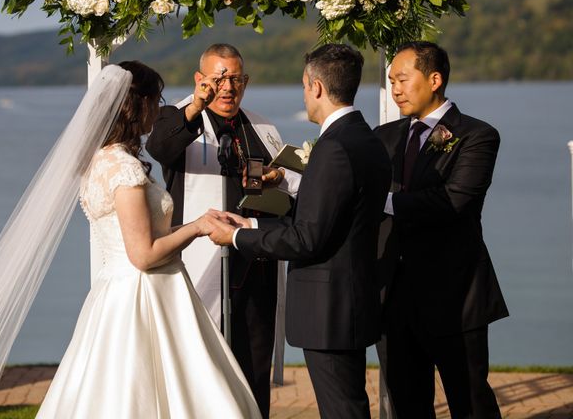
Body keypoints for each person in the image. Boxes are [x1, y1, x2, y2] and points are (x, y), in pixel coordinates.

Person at [0, 62, 261, 419]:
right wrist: (197, 227)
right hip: (144, 294)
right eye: (156, 99)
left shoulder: (99, 161)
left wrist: (206, 219)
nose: (159, 107)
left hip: (118, 291)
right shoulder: (124, 169)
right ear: (137, 106)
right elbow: (144, 255)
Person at [208, 43, 392, 419]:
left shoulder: (334, 147)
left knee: (341, 409)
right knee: (349, 404)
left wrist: (238, 237)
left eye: (305, 86)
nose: (305, 95)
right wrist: (255, 223)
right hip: (354, 298)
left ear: (318, 88)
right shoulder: (368, 140)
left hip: (329, 308)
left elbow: (307, 238)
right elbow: (328, 216)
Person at [145, 43, 299, 417]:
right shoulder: (177, 117)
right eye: (219, 79)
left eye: (236, 79)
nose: (228, 87)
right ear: (200, 81)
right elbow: (160, 148)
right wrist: (197, 105)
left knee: (254, 363)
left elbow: (292, 184)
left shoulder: (261, 126)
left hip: (255, 261)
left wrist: (275, 178)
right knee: (202, 362)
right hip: (201, 262)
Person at [373, 41, 509, 418]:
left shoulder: (478, 136)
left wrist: (377, 201)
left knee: (470, 403)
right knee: (407, 404)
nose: (395, 89)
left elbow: (453, 201)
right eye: (391, 81)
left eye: (402, 78)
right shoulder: (383, 136)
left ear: (434, 79)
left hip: (455, 295)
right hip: (394, 297)